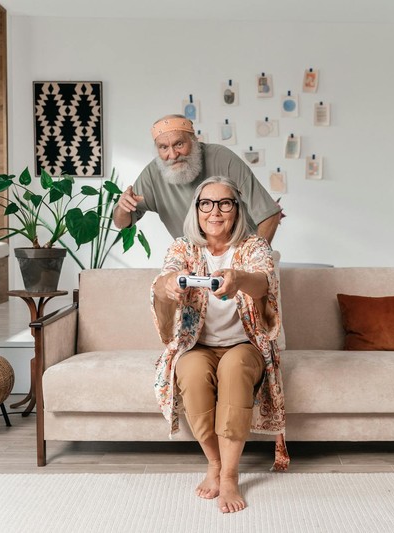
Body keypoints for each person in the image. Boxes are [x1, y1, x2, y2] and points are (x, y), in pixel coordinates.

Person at [151, 176, 288, 514]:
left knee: (235, 367)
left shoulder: (254, 247)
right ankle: (214, 463)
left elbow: (263, 283)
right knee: (192, 371)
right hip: (197, 345)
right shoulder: (183, 248)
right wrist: (168, 287)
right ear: (196, 211)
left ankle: (229, 475)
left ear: (236, 210)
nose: (215, 212)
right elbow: (165, 278)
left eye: (225, 203)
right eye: (206, 204)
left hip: (244, 345)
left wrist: (238, 278)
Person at [113, 114, 282, 243]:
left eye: (179, 144)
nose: (172, 155)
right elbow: (122, 222)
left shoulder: (222, 158)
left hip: (241, 255)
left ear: (194, 140)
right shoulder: (152, 173)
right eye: (164, 147)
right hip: (195, 263)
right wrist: (123, 207)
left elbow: (269, 214)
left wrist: (251, 262)